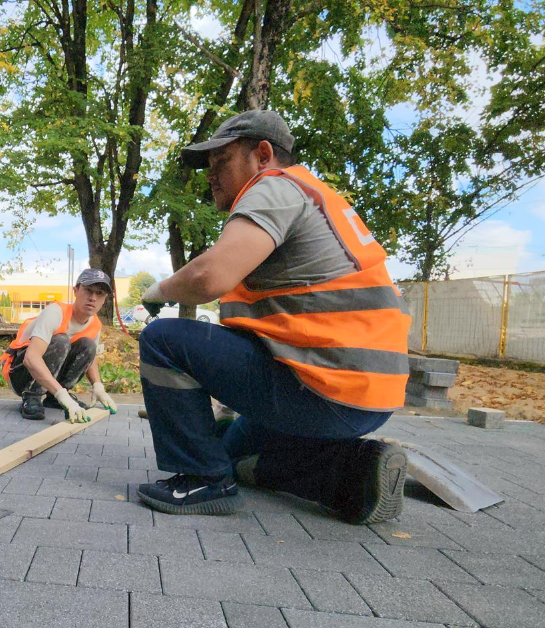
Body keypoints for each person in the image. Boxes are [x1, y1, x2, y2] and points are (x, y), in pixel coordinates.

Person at [135, 109, 411, 524]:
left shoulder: (274, 186)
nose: (211, 175)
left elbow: (210, 277)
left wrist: (159, 291)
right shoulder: (313, 196)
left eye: (221, 161)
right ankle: (353, 475)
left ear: (263, 155)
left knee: (163, 340)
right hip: (366, 396)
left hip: (322, 386)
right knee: (230, 452)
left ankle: (202, 481)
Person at [0, 269, 118, 422]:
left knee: (88, 345)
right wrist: (62, 395)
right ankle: (32, 396)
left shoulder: (95, 324)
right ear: (76, 291)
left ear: (105, 299)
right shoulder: (56, 313)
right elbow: (31, 358)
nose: (93, 298)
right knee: (61, 341)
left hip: (48, 373)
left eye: (99, 293)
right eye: (88, 290)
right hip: (19, 373)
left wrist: (97, 385)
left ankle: (54, 399)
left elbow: (91, 357)